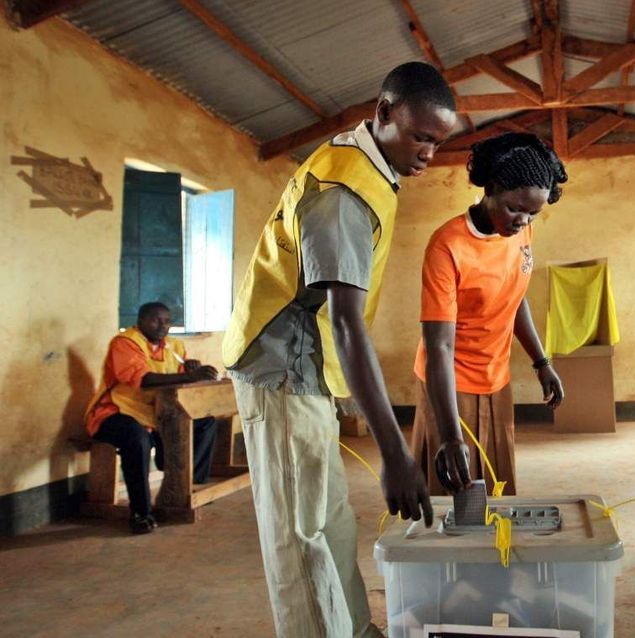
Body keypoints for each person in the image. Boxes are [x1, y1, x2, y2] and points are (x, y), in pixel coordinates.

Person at [221, 62, 457, 638]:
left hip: (306, 363)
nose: (429, 152)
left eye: (439, 141)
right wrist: (395, 453)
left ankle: (353, 629)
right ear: (383, 113)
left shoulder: (365, 163)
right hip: (279, 364)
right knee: (300, 533)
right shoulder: (343, 191)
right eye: (421, 136)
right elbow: (347, 323)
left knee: (330, 519)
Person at [411, 132, 567, 497]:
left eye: (533, 213)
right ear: (492, 187)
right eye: (515, 208)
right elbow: (439, 347)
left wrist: (541, 361)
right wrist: (449, 435)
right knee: (454, 495)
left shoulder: (520, 231)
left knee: (496, 492)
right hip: (449, 384)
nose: (522, 220)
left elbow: (514, 297)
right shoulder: (447, 246)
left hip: (496, 378)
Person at [85, 302, 219, 534]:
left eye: (167, 321)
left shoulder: (174, 346)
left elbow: (178, 381)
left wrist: (189, 370)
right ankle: (140, 513)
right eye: (155, 320)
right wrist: (191, 375)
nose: (162, 326)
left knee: (205, 421)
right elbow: (144, 379)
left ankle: (183, 485)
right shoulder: (125, 342)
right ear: (140, 320)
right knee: (137, 440)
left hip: (152, 413)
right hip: (113, 412)